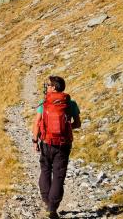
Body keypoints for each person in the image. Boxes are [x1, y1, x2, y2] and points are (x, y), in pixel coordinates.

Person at [31, 76, 81, 219]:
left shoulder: (44, 103)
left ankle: (47, 202)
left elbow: (36, 123)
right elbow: (77, 123)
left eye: (48, 85)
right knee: (59, 175)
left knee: (45, 170)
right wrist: (66, 128)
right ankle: (52, 209)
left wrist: (35, 141)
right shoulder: (70, 104)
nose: (46, 87)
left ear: (54, 87)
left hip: (47, 142)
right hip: (64, 144)